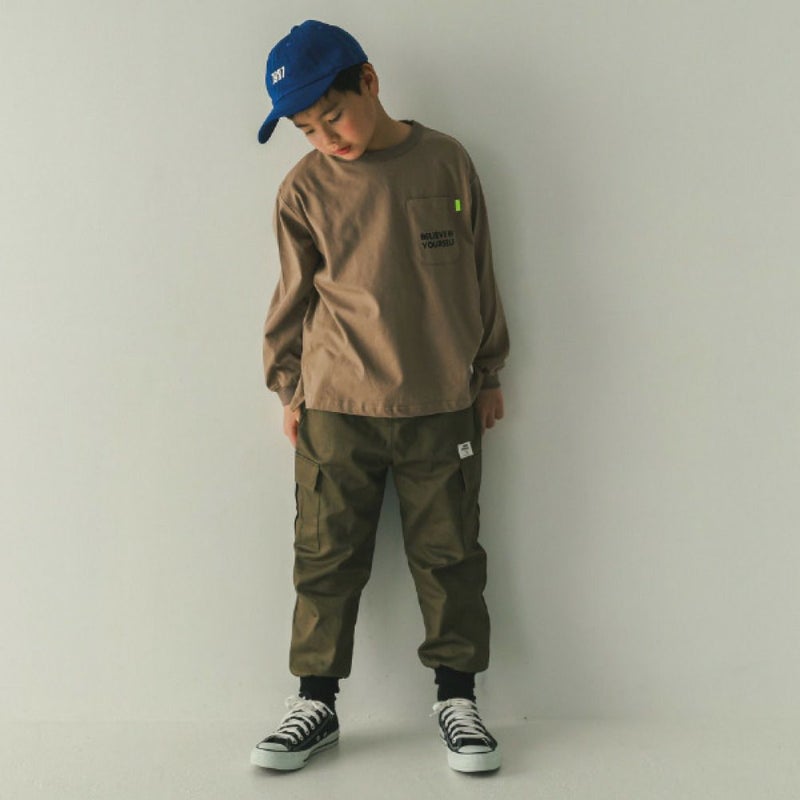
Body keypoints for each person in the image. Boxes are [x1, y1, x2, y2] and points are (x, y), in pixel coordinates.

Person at [250, 20, 510, 774]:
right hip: (336, 406)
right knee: (324, 556)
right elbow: (292, 297)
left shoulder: (446, 163)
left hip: (443, 402)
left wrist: (489, 370)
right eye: (307, 129)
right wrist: (289, 386)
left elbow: (479, 271)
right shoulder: (304, 188)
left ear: (369, 81)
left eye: (332, 116)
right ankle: (315, 702)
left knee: (452, 554)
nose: (325, 138)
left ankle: (457, 698)